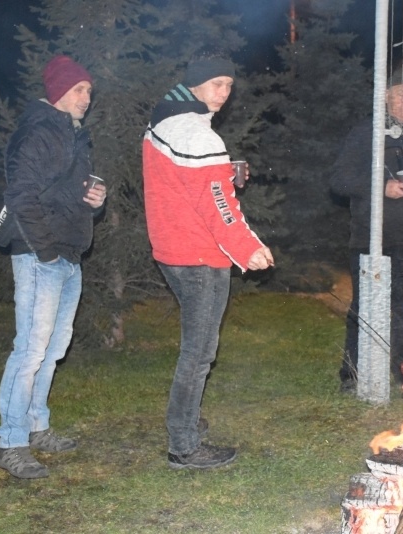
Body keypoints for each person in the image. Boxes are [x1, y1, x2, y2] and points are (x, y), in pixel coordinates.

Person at [143, 46, 274, 469]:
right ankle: (183, 445)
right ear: (195, 83)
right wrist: (249, 248)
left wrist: (222, 170)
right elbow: (218, 206)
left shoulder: (167, 121)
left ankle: (187, 424)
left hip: (173, 249)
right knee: (198, 352)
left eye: (229, 85)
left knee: (196, 349)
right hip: (198, 253)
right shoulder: (198, 134)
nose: (224, 93)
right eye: (217, 84)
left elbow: (188, 184)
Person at [0, 55, 107, 479]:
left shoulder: (75, 138)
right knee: (30, 351)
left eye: (89, 92)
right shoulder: (39, 133)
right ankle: (11, 440)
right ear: (59, 92)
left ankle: (38, 427)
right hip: (43, 255)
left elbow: (67, 198)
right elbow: (21, 196)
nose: (87, 98)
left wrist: (94, 203)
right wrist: (45, 252)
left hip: (68, 255)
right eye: (80, 90)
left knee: (53, 350)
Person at [330, 68, 403, 396]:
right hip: (372, 238)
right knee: (364, 308)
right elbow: (338, 179)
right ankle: (352, 375)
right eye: (400, 95)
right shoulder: (365, 133)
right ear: (385, 96)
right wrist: (381, 187)